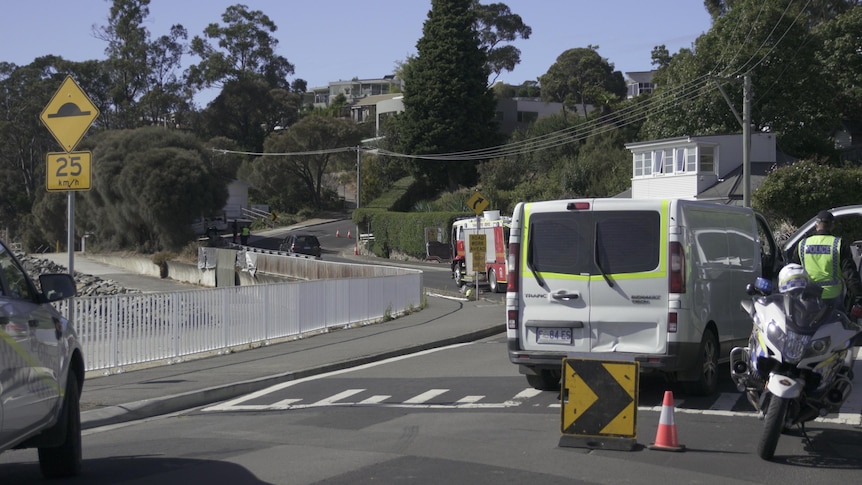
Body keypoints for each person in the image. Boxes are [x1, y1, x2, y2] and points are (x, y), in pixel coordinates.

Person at [790, 209, 862, 312]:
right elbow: (849, 273)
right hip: (833, 297)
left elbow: (794, 272)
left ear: (816, 225)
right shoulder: (839, 244)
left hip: (809, 297)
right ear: (832, 226)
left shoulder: (802, 244)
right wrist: (858, 297)